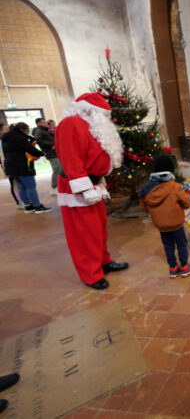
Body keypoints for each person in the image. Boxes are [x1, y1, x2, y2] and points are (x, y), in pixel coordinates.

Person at [56, 92, 129, 290]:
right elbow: (71, 160)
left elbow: (94, 157)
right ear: (91, 111)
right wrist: (86, 189)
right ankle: (91, 274)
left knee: (98, 229)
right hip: (78, 187)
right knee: (84, 233)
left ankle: (103, 262)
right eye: (104, 114)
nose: (106, 119)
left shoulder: (92, 126)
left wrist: (100, 182)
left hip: (94, 183)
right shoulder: (72, 124)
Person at [139, 154, 190, 278]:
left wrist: (156, 212)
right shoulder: (174, 186)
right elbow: (187, 203)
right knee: (181, 245)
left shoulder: (147, 189)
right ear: (170, 169)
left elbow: (144, 207)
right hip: (176, 224)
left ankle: (173, 268)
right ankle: (184, 267)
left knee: (168, 246)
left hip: (161, 226)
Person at [1, 122, 51, 213]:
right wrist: (42, 153)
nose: (28, 132)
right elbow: (30, 149)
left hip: (11, 166)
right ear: (23, 129)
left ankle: (28, 207)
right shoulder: (19, 137)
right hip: (22, 165)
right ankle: (37, 207)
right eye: (27, 130)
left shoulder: (6, 138)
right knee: (31, 186)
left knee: (21, 187)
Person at [33, 117, 62, 195]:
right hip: (51, 152)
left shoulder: (46, 130)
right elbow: (39, 140)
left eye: (45, 122)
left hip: (55, 151)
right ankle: (54, 187)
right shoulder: (39, 131)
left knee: (59, 169)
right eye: (43, 122)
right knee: (57, 169)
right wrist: (51, 145)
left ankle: (59, 187)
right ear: (38, 123)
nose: (45, 124)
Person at [0, 123, 23, 208]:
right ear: (1, 131)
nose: (8, 132)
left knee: (20, 182)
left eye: (9, 130)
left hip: (16, 163)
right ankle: (19, 202)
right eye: (5, 130)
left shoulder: (12, 139)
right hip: (7, 165)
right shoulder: (1, 141)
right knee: (14, 183)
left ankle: (24, 200)